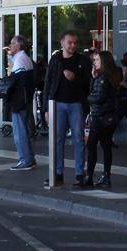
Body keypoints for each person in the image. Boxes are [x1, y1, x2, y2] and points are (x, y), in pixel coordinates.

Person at [44, 30, 90, 186]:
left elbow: (88, 83)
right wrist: (46, 108)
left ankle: (79, 174)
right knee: (58, 139)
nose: (73, 45)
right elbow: (48, 83)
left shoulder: (82, 60)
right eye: (70, 42)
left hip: (76, 103)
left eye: (75, 43)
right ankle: (57, 173)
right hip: (57, 104)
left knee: (78, 139)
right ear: (62, 43)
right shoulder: (55, 60)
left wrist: (74, 78)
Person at [82, 50, 121, 188]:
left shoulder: (102, 78)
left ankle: (89, 177)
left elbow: (97, 97)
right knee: (106, 146)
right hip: (110, 117)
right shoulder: (113, 76)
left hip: (99, 116)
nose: (94, 62)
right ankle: (106, 176)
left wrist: (87, 98)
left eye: (97, 60)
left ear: (103, 62)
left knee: (91, 146)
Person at [0, 35, 36, 170]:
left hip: (19, 101)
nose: (10, 46)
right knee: (24, 130)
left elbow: (16, 82)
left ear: (18, 46)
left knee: (19, 132)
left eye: (12, 43)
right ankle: (29, 158)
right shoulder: (25, 59)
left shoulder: (20, 61)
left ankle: (25, 160)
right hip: (25, 100)